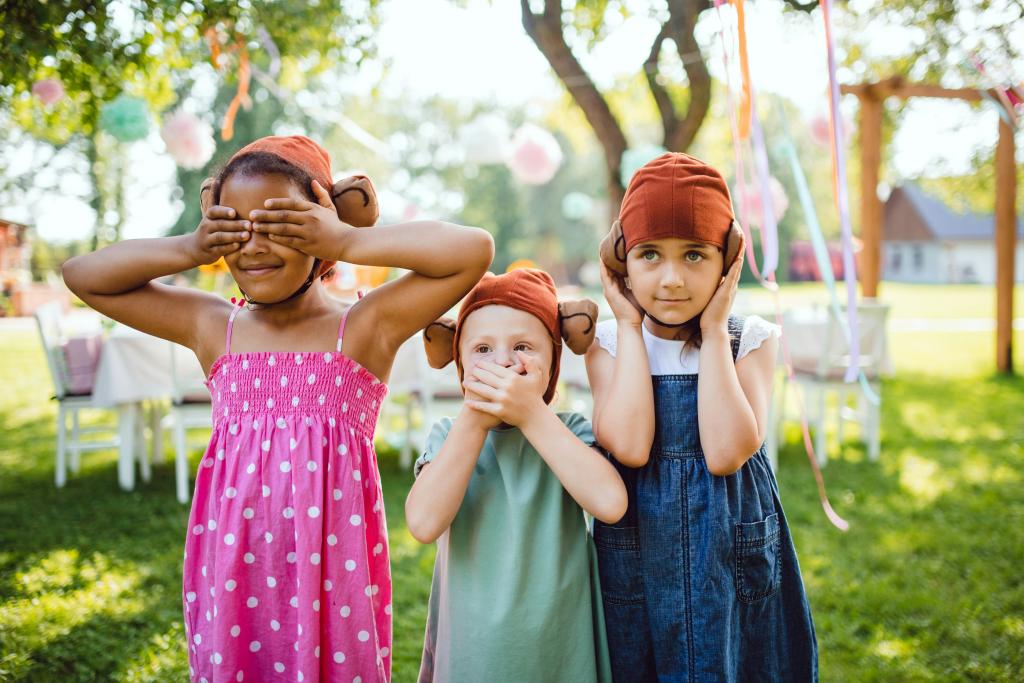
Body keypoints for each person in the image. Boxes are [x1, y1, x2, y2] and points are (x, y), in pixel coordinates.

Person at [62, 135, 494, 682]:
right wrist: (191, 248)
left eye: (277, 225)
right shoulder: (213, 326)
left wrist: (348, 240)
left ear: (320, 227)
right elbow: (82, 274)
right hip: (235, 576)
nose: (254, 246)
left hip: (333, 585)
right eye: (235, 227)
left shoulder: (364, 327)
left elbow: (473, 249)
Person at [588, 152, 817, 681]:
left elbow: (725, 452)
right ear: (621, 261)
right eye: (650, 255)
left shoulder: (749, 339)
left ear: (729, 260)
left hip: (729, 552)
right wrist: (626, 325)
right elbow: (630, 446)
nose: (671, 279)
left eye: (695, 255)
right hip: (637, 547)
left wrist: (715, 332)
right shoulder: (606, 342)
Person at [406, 268, 626, 682]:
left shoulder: (567, 431)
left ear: (553, 363)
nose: (504, 361)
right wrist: (473, 421)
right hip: (474, 646)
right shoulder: (450, 436)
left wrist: (531, 414)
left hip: (559, 642)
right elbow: (422, 523)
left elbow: (611, 504)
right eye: (483, 349)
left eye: (523, 346)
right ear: (460, 364)